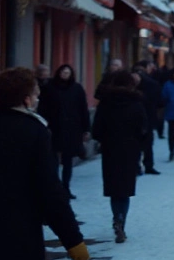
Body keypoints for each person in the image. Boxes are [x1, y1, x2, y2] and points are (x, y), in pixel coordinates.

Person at [0, 68, 90, 260]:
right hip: (17, 236)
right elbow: (50, 193)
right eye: (37, 93)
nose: (39, 98)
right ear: (26, 100)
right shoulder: (33, 131)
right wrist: (73, 241)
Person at [91, 71, 148, 243]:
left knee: (114, 188)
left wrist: (104, 139)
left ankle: (116, 217)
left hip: (110, 149)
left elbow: (97, 129)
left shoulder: (105, 103)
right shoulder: (136, 103)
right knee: (126, 189)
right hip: (130, 150)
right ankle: (122, 220)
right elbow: (143, 128)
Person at [37, 65, 91, 199]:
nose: (65, 75)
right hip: (54, 127)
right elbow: (43, 108)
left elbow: (83, 109)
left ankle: (65, 187)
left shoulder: (77, 88)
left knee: (68, 160)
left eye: (68, 73)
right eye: (63, 72)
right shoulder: (50, 88)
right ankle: (54, 187)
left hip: (72, 128)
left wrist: (86, 128)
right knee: (53, 158)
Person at [133, 61, 162, 175]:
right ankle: (146, 165)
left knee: (142, 143)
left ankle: (139, 166)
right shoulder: (152, 83)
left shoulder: (151, 83)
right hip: (147, 116)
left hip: (143, 116)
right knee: (146, 143)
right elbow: (159, 101)